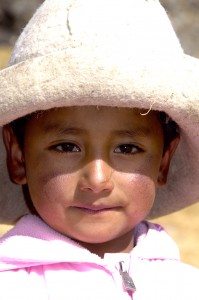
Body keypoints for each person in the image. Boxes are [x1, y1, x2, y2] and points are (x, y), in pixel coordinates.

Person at [0, 0, 199, 299]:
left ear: (163, 162)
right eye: (66, 146)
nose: (97, 179)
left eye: (128, 148)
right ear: (18, 157)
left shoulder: (186, 286)